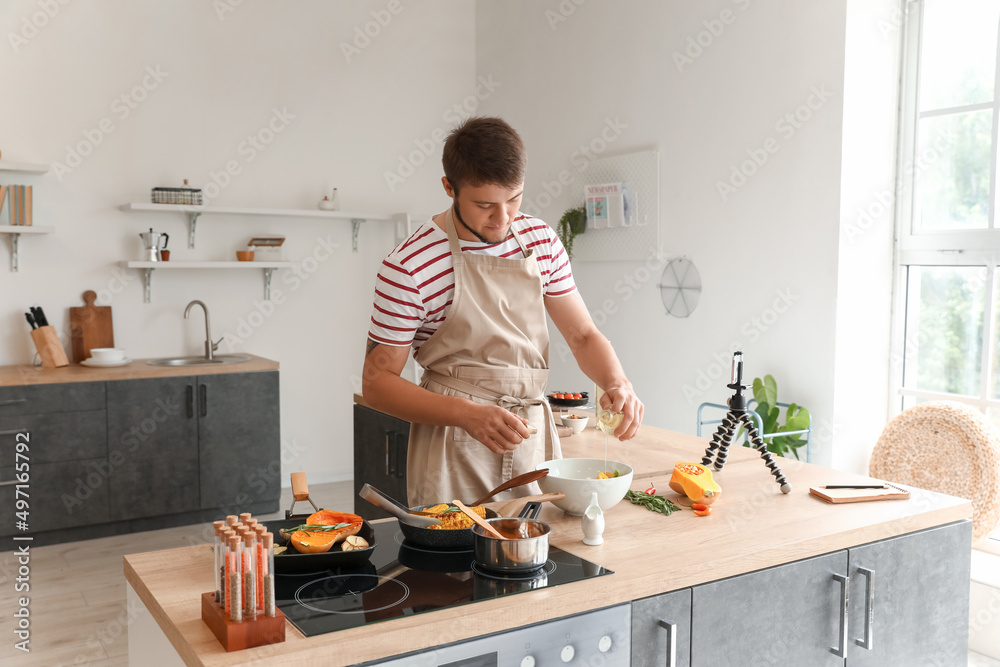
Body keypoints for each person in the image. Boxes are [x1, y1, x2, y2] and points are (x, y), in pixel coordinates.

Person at [362, 117, 643, 506]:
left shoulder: (541, 241)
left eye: (514, 199)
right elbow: (377, 384)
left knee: (538, 554)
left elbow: (582, 336)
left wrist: (617, 382)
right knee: (457, 560)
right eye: (484, 205)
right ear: (449, 187)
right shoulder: (409, 265)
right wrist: (467, 414)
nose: (503, 218)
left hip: (531, 435)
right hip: (452, 442)